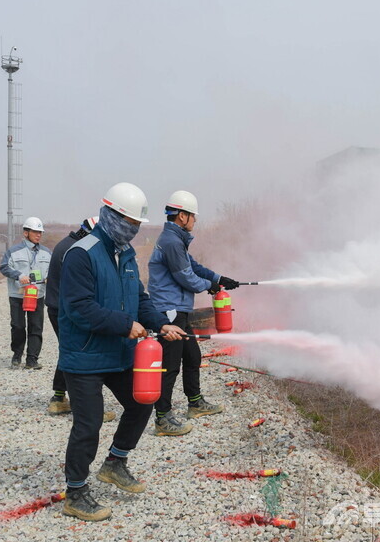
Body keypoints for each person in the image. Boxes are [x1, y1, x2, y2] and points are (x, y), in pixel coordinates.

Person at [58, 183, 184, 522]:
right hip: (84, 356)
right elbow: (78, 308)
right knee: (89, 423)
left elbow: (139, 298)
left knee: (143, 400)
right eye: (128, 221)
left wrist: (161, 323)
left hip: (118, 353)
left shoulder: (126, 253)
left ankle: (115, 462)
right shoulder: (81, 253)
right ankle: (76, 492)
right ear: (110, 214)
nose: (133, 229)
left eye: (137, 224)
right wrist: (124, 324)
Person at [147, 190, 239, 436]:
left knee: (191, 356)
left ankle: (195, 403)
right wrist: (208, 286)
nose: (195, 220)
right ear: (182, 216)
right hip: (169, 311)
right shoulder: (171, 242)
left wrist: (218, 278)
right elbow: (185, 276)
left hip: (179, 309)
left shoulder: (175, 240)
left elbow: (193, 266)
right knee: (170, 364)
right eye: (193, 216)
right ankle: (163, 418)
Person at [44, 216, 114, 422]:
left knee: (69, 350)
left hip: (58, 308)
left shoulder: (66, 245)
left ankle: (58, 398)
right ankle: (87, 408)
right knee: (83, 355)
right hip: (68, 311)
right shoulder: (77, 251)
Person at [0, 216, 53, 369]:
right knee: (18, 326)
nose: (38, 235)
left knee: (36, 327)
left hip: (38, 295)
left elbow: (53, 270)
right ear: (26, 233)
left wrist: (50, 277)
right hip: (18, 295)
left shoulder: (47, 253)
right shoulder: (14, 252)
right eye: (35, 232)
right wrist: (18, 275)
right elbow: (4, 267)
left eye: (40, 232)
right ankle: (17, 354)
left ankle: (32, 360)